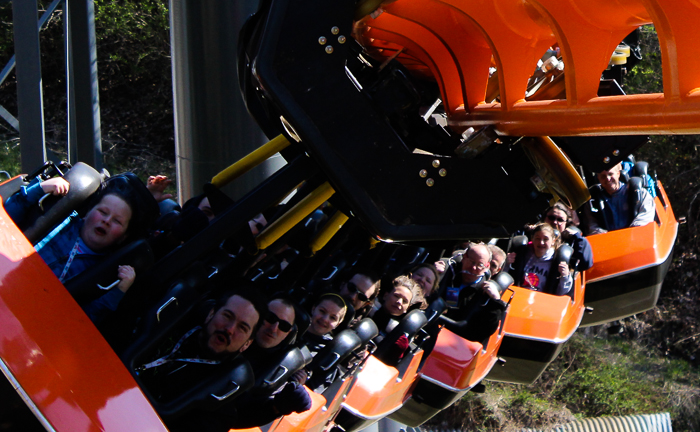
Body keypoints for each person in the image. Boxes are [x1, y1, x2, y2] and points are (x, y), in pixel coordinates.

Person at [3, 173, 158, 323]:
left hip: (30, 317)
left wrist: (118, 291)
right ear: (88, 212)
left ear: (123, 237)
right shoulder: (58, 218)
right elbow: (6, 218)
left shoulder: (105, 270)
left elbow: (84, 320)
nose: (107, 221)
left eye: (117, 221)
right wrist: (40, 189)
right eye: (103, 212)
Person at [233, 297, 312, 428]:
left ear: (288, 333)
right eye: (270, 318)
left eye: (284, 326)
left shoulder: (280, 369)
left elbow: (237, 415)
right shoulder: (232, 333)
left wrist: (276, 408)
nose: (274, 328)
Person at [585, 163, 655, 234]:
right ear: (598, 178)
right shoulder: (593, 200)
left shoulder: (640, 193)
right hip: (608, 241)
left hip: (636, 237)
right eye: (603, 176)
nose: (608, 179)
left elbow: (645, 218)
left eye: (610, 174)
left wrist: (631, 233)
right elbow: (592, 225)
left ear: (618, 174)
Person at [298, 293, 348, 393]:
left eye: (332, 318)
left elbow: (315, 393)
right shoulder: (294, 326)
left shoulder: (329, 353)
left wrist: (302, 385)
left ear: (338, 323)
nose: (325, 319)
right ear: (313, 309)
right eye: (322, 311)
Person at [509, 223, 572, 296]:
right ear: (532, 239)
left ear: (553, 241)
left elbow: (561, 292)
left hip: (542, 300)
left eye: (546, 239)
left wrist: (565, 276)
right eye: (538, 238)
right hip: (520, 295)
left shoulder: (556, 260)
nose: (541, 243)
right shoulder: (523, 254)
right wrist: (507, 263)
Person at [542, 201, 594, 271]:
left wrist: (577, 237)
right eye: (551, 217)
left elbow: (586, 263)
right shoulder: (533, 235)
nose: (555, 222)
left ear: (566, 223)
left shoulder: (572, 242)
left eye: (560, 220)